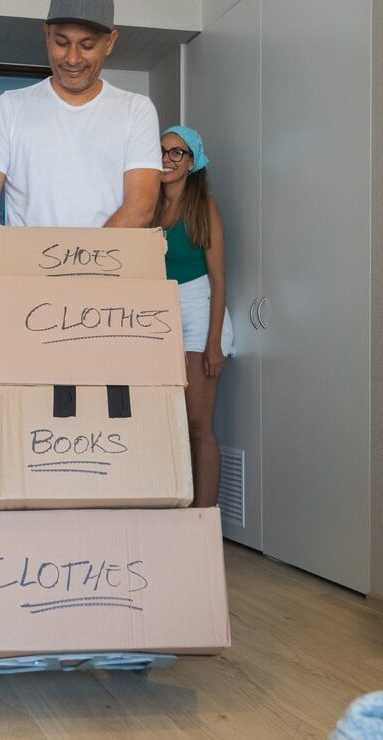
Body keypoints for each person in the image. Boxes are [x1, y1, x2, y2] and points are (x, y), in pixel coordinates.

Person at [0, 0, 163, 271]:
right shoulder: (9, 107)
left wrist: (77, 273)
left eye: (87, 45)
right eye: (61, 42)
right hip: (24, 278)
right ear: (46, 34)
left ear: (110, 42)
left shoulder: (136, 110)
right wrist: (1, 267)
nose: (72, 58)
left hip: (109, 280)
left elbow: (141, 204)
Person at [155, 125, 234, 508]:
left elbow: (218, 278)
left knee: (198, 425)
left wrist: (214, 342)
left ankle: (204, 520)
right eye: (162, 151)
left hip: (200, 314)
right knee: (167, 425)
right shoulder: (149, 208)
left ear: (192, 163)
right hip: (160, 317)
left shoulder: (205, 206)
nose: (167, 159)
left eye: (176, 153)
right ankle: (177, 512)